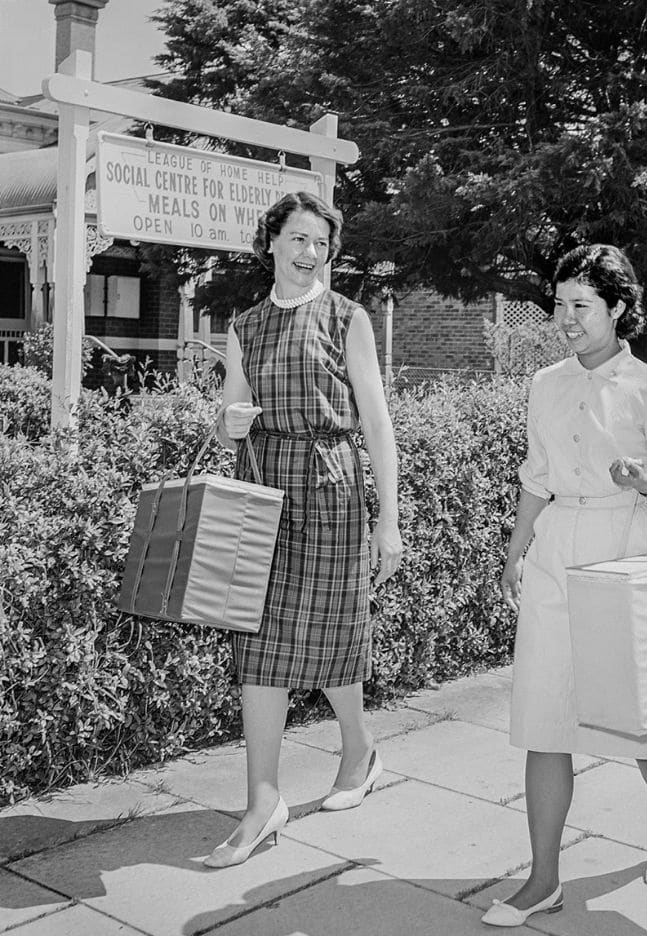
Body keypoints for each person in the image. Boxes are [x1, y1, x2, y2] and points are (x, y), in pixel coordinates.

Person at [482, 245, 647, 927]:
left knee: (638, 716)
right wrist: (515, 553)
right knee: (545, 719)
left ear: (616, 309)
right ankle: (543, 877)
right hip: (557, 554)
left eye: (580, 305)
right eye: (559, 304)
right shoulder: (545, 383)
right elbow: (536, 476)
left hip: (624, 553)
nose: (564, 318)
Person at [204, 191, 403, 869]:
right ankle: (263, 801)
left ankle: (359, 749)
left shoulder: (347, 318)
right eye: (297, 238)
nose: (308, 252)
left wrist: (391, 521)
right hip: (263, 490)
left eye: (320, 242)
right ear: (272, 243)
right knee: (258, 643)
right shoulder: (245, 324)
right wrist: (226, 421)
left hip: (332, 486)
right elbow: (228, 411)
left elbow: (376, 423)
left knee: (334, 630)